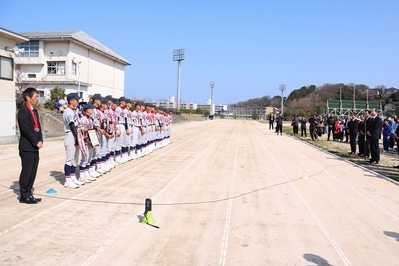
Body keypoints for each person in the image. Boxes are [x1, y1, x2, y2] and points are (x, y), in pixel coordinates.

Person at [17, 87, 43, 204]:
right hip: (27, 146)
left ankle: (29, 193)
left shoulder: (35, 111)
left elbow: (38, 128)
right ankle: (24, 194)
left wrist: (41, 140)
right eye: (36, 97)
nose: (38, 99)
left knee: (33, 171)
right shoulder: (23, 111)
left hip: (35, 146)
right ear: (28, 97)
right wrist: (35, 141)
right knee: (27, 171)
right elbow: (26, 130)